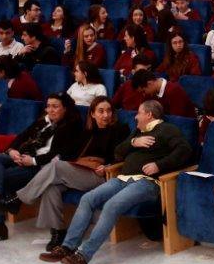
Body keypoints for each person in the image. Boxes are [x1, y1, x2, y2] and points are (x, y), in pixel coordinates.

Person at [39, 100, 192, 264]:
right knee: (88, 199)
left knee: (111, 205)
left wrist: (159, 165)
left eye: (139, 113)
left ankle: (83, 256)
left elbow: (185, 151)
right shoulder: (138, 132)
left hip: (146, 182)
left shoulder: (167, 130)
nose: (136, 116)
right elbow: (118, 152)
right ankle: (67, 247)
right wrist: (134, 142)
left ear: (149, 114)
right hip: (122, 178)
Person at [11, 97, 130, 251]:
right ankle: (58, 232)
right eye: (101, 111)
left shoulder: (120, 129)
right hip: (81, 169)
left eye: (108, 111)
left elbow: (122, 156)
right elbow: (70, 152)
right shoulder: (88, 131)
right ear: (92, 114)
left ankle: (19, 198)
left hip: (101, 174)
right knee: (51, 187)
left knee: (56, 167)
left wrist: (108, 166)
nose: (105, 115)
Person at [0, 93, 83, 244]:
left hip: (41, 167)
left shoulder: (72, 126)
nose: (50, 110)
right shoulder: (44, 121)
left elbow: (58, 154)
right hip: (26, 157)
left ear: (65, 108)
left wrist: (32, 161)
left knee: (2, 178)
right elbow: (22, 136)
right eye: (48, 106)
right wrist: (12, 150)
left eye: (55, 107)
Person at [130, 68, 197, 118]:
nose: (143, 95)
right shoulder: (150, 94)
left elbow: (177, 118)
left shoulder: (174, 91)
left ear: (149, 84)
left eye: (143, 91)